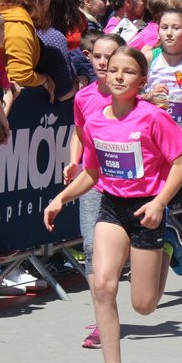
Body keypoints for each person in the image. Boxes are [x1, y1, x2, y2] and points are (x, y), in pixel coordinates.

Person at [44, 46, 182, 363]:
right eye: (113, 70)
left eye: (128, 72)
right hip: (112, 207)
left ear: (141, 82)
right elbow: (92, 171)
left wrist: (159, 203)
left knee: (144, 306)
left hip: (147, 209)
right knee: (103, 286)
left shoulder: (153, 118)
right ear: (106, 76)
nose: (119, 76)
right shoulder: (96, 119)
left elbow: (180, 163)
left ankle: (167, 246)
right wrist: (62, 197)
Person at [64, 33, 123, 346]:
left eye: (109, 56)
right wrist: (73, 161)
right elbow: (79, 133)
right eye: (97, 56)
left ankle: (165, 240)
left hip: (127, 183)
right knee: (90, 247)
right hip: (93, 179)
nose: (102, 62)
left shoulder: (130, 96)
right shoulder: (83, 96)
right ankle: (103, 318)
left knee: (128, 254)